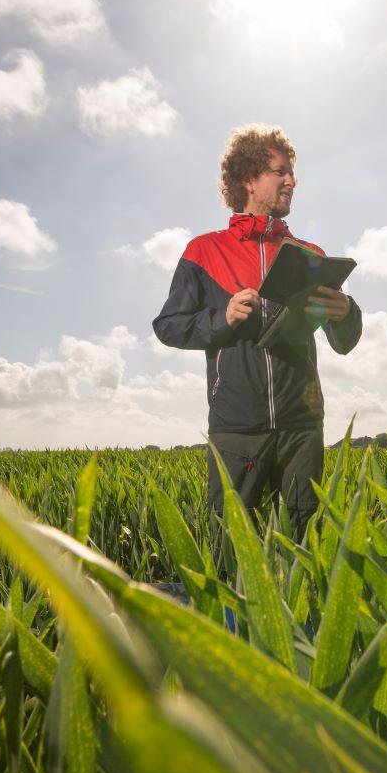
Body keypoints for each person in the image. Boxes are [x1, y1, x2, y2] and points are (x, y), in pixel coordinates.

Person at [153, 125, 363, 521]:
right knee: (235, 548)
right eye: (279, 172)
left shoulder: (310, 254)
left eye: (292, 173)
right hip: (237, 428)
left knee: (306, 543)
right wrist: (223, 317)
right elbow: (169, 326)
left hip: (302, 427)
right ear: (249, 179)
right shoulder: (203, 251)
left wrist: (346, 313)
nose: (291, 181)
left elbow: (344, 341)